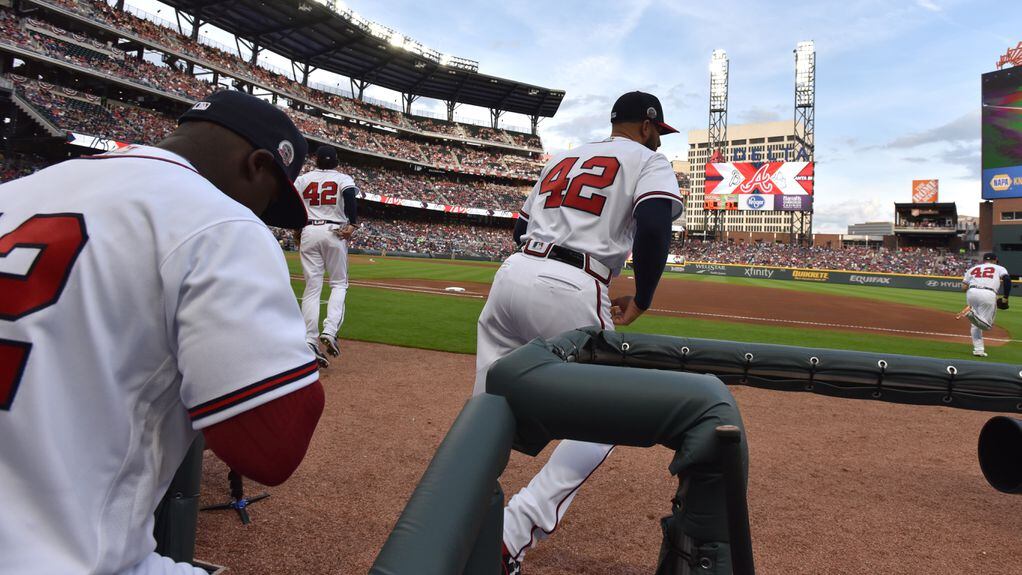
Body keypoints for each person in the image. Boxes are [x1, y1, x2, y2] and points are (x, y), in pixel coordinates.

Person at [0, 90, 326, 574]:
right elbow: (272, 448)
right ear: (258, 165)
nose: (263, 216)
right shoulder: (220, 220)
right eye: (272, 200)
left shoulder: (19, 190)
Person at [473, 91, 684, 572]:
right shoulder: (648, 160)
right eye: (659, 134)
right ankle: (513, 531)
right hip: (573, 283)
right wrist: (644, 296)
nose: (659, 142)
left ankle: (458, 518)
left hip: (512, 275)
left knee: (486, 411)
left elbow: (519, 228)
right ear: (648, 127)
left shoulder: (564, 156)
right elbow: (654, 225)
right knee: (611, 413)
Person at [294, 145, 359, 366]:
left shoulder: (303, 179)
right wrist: (353, 223)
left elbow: (293, 203)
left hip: (309, 231)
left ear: (316, 160)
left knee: (312, 288)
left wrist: (296, 230)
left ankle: (309, 340)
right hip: (335, 232)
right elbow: (350, 197)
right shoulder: (343, 178)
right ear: (336, 162)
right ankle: (330, 331)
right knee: (339, 284)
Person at [957, 252, 1011, 357]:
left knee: (976, 323)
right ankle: (970, 313)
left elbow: (963, 288)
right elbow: (1007, 280)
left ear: (984, 260)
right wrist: (1005, 297)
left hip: (971, 292)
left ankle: (978, 350)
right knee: (987, 326)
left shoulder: (973, 269)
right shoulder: (999, 268)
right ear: (995, 260)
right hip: (988, 293)